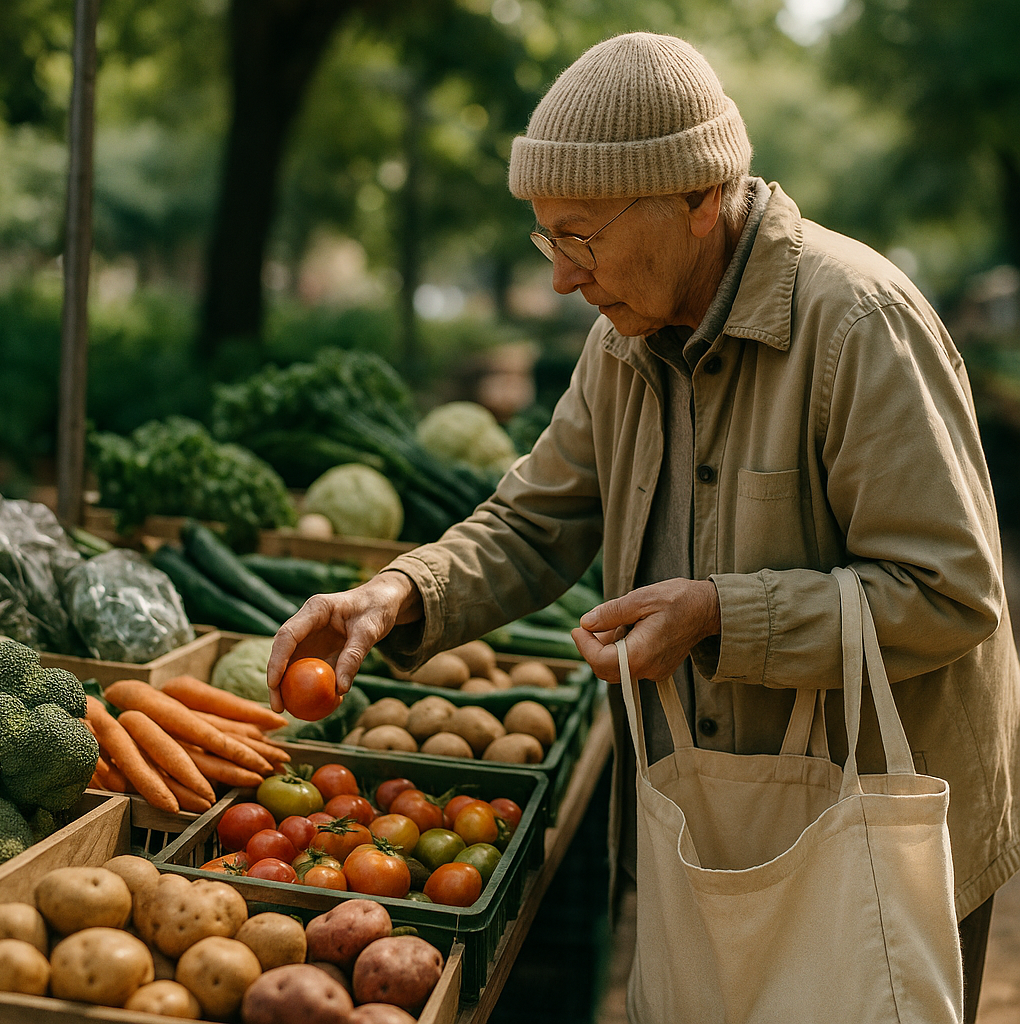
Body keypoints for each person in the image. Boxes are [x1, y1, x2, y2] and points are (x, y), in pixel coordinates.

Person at [268, 31, 1020, 1022]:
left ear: (698, 198)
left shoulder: (854, 323)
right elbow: (535, 521)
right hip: (704, 826)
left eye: (579, 236)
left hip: (869, 843)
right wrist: (399, 590)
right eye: (547, 239)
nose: (561, 278)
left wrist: (719, 614)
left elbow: (949, 592)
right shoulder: (620, 342)